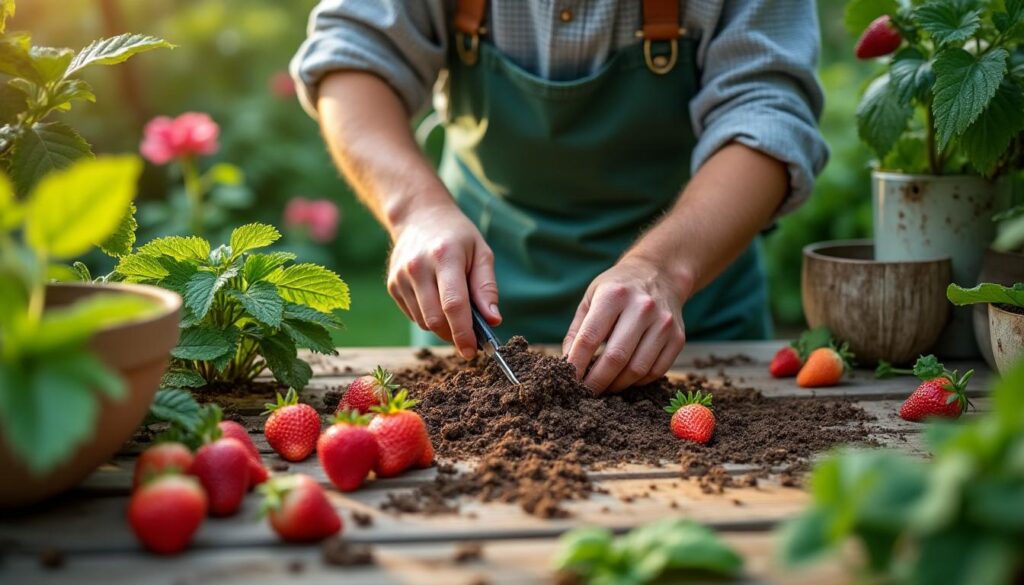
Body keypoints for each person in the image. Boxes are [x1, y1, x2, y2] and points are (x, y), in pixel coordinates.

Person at [291, 0, 827, 393]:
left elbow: (767, 113)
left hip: (691, 325)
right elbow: (352, 57)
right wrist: (416, 210)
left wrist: (666, 271)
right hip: (473, 323)